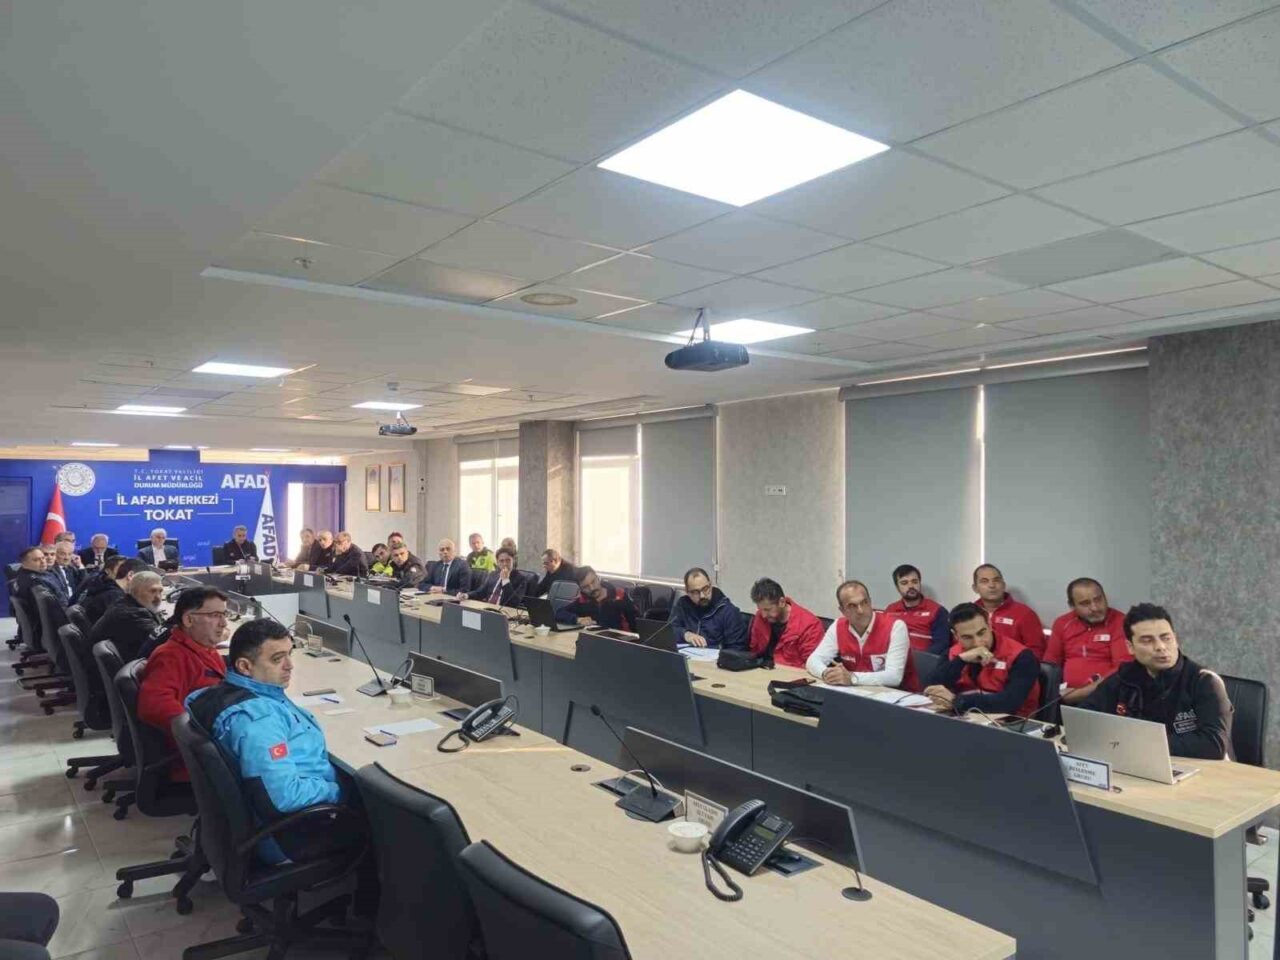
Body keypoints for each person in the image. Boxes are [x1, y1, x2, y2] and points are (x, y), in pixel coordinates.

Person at [185, 619, 360, 864]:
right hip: (288, 833)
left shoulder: (215, 694)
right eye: (277, 659)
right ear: (245, 666)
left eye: (290, 654)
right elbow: (284, 797)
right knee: (382, 817)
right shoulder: (259, 721)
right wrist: (339, 789)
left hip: (259, 819)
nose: (290, 666)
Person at [1079, 603, 1232, 759]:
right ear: (1130, 647)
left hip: (1203, 769)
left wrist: (1137, 743)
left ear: (1176, 640)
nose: (1160, 647)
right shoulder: (1124, 678)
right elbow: (1083, 718)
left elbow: (1214, 745)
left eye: (1166, 638)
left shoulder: (1204, 680)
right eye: (1147, 641)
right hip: (1142, 763)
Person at [136, 587, 229, 778]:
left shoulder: (204, 648)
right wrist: (204, 734)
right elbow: (153, 706)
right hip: (199, 759)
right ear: (188, 620)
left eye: (224, 614)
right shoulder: (171, 656)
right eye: (215, 615)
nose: (224, 623)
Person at [924, 602, 1040, 717]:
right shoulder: (953, 653)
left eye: (981, 633)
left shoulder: (1021, 656)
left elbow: (1009, 703)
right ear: (956, 635)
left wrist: (957, 701)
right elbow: (931, 686)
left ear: (989, 625)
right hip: (962, 716)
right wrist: (961, 661)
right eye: (967, 637)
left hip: (1012, 722)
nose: (977, 642)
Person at [1043, 578, 1132, 705]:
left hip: (1106, 696)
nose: (1095, 607)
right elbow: (1050, 665)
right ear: (1072, 606)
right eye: (1085, 603)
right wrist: (1053, 692)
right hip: (1064, 696)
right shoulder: (1062, 623)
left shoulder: (1120, 622)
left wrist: (1080, 694)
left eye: (1098, 599)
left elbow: (1122, 670)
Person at [806, 580, 911, 687]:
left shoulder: (895, 627)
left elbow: (894, 677)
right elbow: (813, 661)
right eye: (852, 606)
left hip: (895, 693)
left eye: (864, 602)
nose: (860, 610)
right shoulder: (838, 626)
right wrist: (827, 674)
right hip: (855, 691)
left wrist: (853, 678)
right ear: (842, 610)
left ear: (870, 602)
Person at [88, 570, 167, 662]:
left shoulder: (124, 603)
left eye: (160, 591)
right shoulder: (134, 615)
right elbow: (166, 642)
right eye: (153, 591)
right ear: (135, 591)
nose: (158, 597)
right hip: (127, 667)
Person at [746, 578, 824, 668]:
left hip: (791, 673)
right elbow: (753, 650)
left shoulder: (810, 625)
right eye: (760, 609)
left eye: (767, 609)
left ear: (782, 602)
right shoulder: (760, 617)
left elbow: (812, 665)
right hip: (761, 669)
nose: (763, 615)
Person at [972, 564, 1045, 658]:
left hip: (1015, 665)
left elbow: (1036, 651)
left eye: (996, 580)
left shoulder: (1024, 614)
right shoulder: (969, 613)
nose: (992, 585)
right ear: (975, 588)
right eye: (984, 581)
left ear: (1003, 585)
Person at [667, 567, 748, 650]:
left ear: (710, 585)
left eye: (705, 589)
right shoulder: (683, 604)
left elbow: (737, 650)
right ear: (687, 592)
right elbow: (668, 631)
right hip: (686, 655)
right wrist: (685, 634)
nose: (702, 596)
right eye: (695, 592)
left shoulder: (728, 611)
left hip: (715, 657)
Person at [884, 564, 950, 657]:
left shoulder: (937, 610)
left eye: (914, 581)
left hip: (923, 660)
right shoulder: (890, 610)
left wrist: (920, 659)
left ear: (919, 583)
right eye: (904, 583)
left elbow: (942, 644)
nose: (911, 586)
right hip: (894, 658)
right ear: (897, 587)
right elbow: (882, 639)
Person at [556, 567, 638, 630]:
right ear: (581, 589)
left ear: (598, 578)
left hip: (622, 641)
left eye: (593, 582)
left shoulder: (620, 595)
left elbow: (637, 621)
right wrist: (577, 619)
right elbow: (559, 613)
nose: (592, 588)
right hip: (595, 640)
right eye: (586, 587)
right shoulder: (582, 601)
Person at [80, 557, 138, 624]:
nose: (124, 572)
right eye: (121, 568)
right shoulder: (114, 595)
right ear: (108, 571)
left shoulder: (101, 583)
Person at [48, 540, 84, 604]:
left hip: (74, 603)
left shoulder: (71, 569)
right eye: (63, 554)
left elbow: (84, 585)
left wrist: (80, 565)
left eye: (69, 554)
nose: (66, 558)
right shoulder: (50, 570)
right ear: (55, 554)